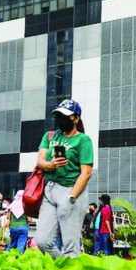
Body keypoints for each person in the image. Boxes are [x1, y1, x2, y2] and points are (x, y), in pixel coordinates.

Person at [35, 99, 94, 258]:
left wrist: (72, 196)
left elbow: (86, 172)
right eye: (58, 115)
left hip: (70, 189)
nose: (60, 119)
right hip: (50, 190)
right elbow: (40, 161)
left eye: (64, 116)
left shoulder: (83, 140)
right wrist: (50, 165)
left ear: (75, 118)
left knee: (70, 245)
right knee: (42, 241)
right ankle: (64, 266)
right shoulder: (50, 136)